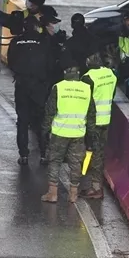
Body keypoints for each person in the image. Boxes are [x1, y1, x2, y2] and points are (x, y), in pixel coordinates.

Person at [42, 65, 95, 204]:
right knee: (76, 163)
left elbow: (50, 111)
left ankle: (52, 194)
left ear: (65, 73)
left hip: (59, 133)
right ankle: (73, 195)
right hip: (78, 133)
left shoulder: (58, 87)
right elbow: (91, 115)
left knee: (55, 161)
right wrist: (91, 137)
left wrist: (44, 131)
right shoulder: (86, 89)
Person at [7, 17, 54, 165]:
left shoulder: (16, 42)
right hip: (39, 87)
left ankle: (24, 155)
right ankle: (43, 154)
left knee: (22, 121)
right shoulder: (44, 41)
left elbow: (11, 63)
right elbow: (51, 64)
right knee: (41, 121)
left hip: (22, 86)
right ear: (36, 27)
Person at [79, 51, 117, 198]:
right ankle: (95, 186)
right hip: (105, 120)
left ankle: (94, 188)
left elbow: (84, 102)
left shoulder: (88, 78)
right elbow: (112, 95)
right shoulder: (110, 74)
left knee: (91, 154)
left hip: (92, 123)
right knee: (99, 154)